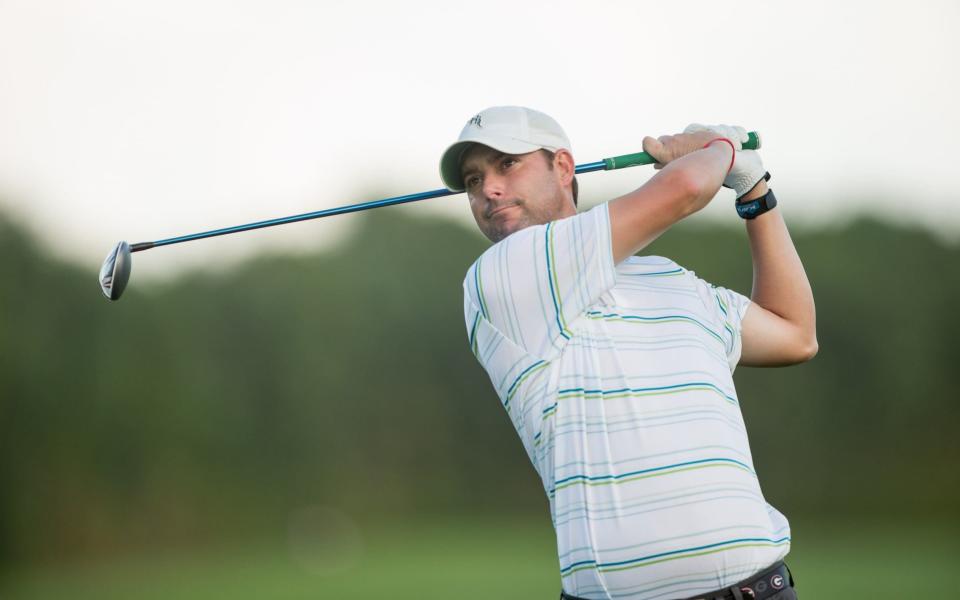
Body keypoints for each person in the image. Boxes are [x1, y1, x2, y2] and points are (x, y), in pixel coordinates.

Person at [439, 106, 816, 600]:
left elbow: (795, 334)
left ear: (564, 167)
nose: (488, 189)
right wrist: (719, 149)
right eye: (473, 179)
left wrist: (755, 192)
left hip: (759, 589)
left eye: (507, 164)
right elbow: (684, 190)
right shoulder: (505, 275)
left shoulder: (673, 281)